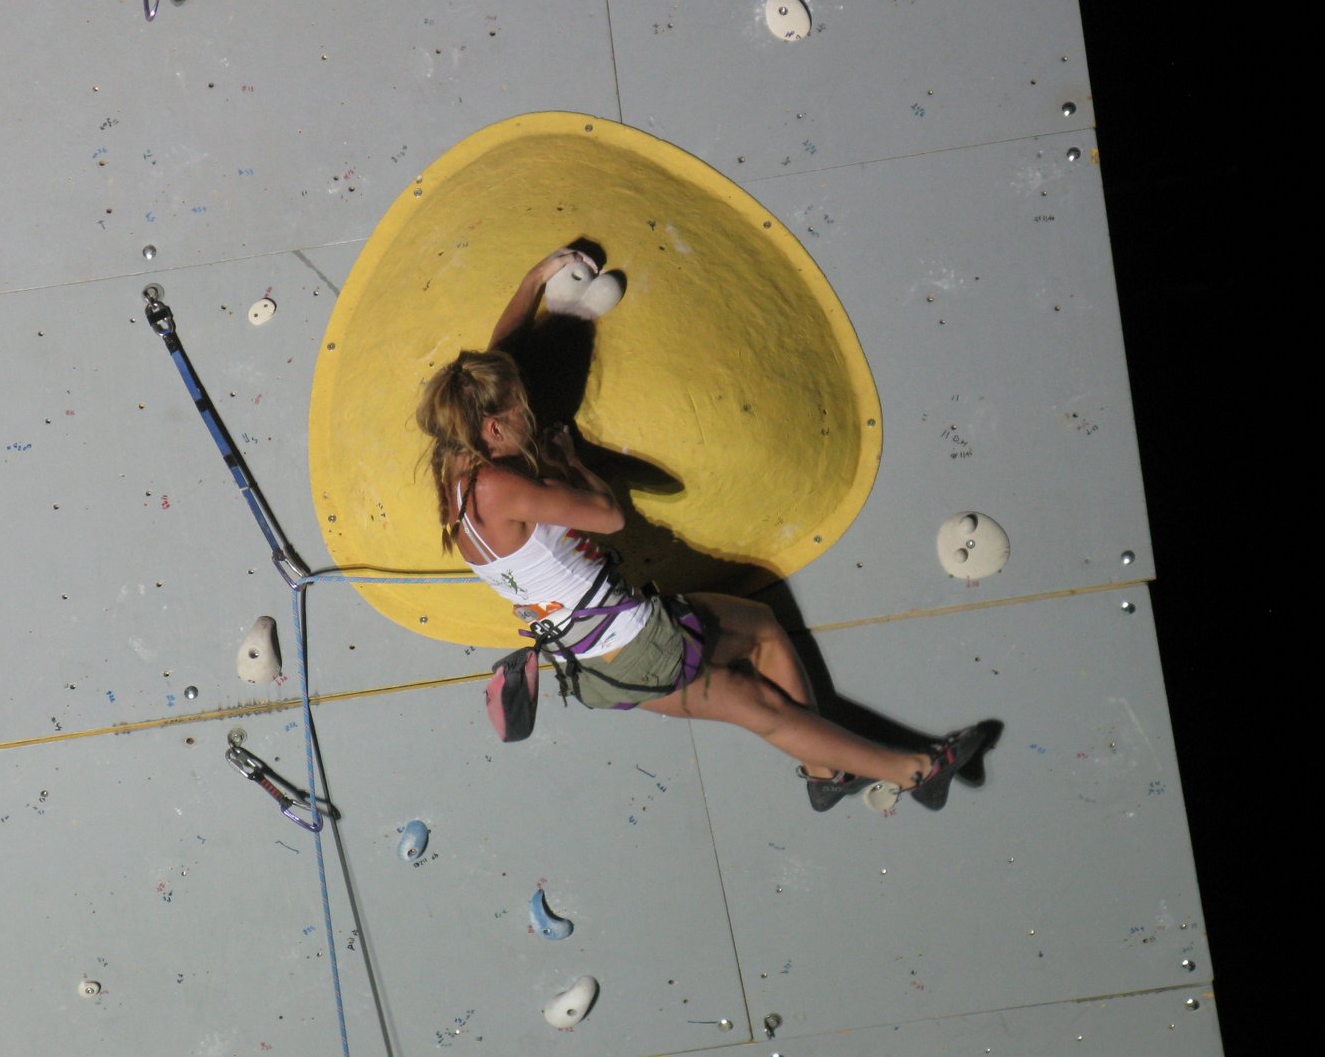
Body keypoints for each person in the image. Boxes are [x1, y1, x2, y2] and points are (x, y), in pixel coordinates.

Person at [416, 247, 1000, 812]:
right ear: (491, 429)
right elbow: (609, 516)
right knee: (765, 653)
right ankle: (914, 771)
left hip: (597, 666)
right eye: (518, 411)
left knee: (762, 700)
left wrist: (535, 279)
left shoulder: (457, 472)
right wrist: (574, 465)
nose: (529, 412)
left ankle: (831, 775)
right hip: (635, 642)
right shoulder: (498, 487)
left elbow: (499, 357)